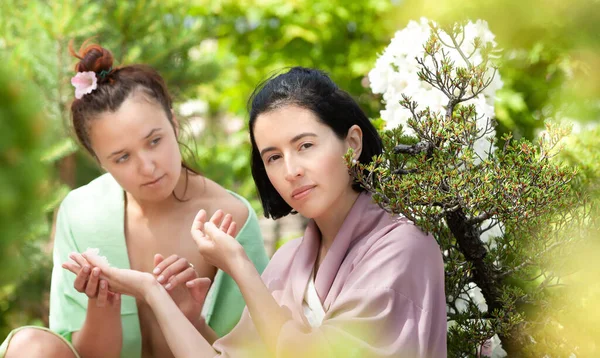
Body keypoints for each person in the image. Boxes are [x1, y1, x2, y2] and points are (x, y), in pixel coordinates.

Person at [65, 67, 447, 357]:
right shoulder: (289, 262)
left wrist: (239, 267)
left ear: (352, 142)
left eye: (306, 145)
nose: (291, 170)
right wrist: (157, 294)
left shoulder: (403, 247)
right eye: (273, 157)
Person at [0, 42, 269, 358]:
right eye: (122, 157)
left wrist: (189, 317)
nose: (148, 166)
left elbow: (255, 349)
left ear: (174, 121)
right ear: (99, 160)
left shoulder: (228, 217)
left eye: (154, 141)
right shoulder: (82, 212)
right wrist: (103, 305)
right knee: (31, 348)